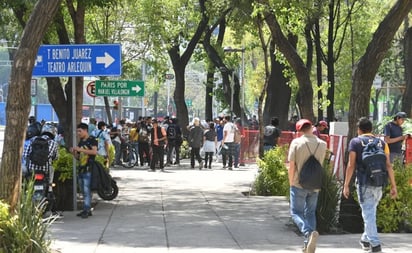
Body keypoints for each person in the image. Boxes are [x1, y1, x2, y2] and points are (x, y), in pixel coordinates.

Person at [343, 117, 397, 253]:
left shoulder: (355, 142)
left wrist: (346, 185)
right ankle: (365, 240)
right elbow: (388, 166)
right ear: (371, 129)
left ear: (359, 130)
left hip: (364, 182)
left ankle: (375, 244)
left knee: (368, 213)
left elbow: (351, 165)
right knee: (370, 212)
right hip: (380, 182)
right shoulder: (382, 143)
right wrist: (393, 185)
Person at [287, 119, 327, 253]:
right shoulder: (322, 144)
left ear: (299, 130)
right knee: (310, 213)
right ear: (311, 127)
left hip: (299, 183)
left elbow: (292, 165)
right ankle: (308, 244)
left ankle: (308, 233)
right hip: (315, 184)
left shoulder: (296, 143)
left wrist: (291, 181)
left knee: (295, 212)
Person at [23, 123, 59, 212]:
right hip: (45, 171)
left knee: (25, 187)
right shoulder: (53, 143)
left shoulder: (32, 140)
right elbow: (56, 157)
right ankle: (52, 208)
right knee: (49, 186)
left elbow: (25, 154)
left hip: (31, 171)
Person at [70, 123, 98, 219]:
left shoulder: (92, 140)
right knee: (82, 190)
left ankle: (87, 209)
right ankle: (86, 209)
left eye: (80, 131)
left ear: (85, 130)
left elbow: (94, 152)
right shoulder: (81, 142)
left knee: (86, 190)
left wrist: (81, 150)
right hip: (81, 168)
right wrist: (74, 153)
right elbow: (78, 157)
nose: (78, 133)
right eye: (77, 131)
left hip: (88, 168)